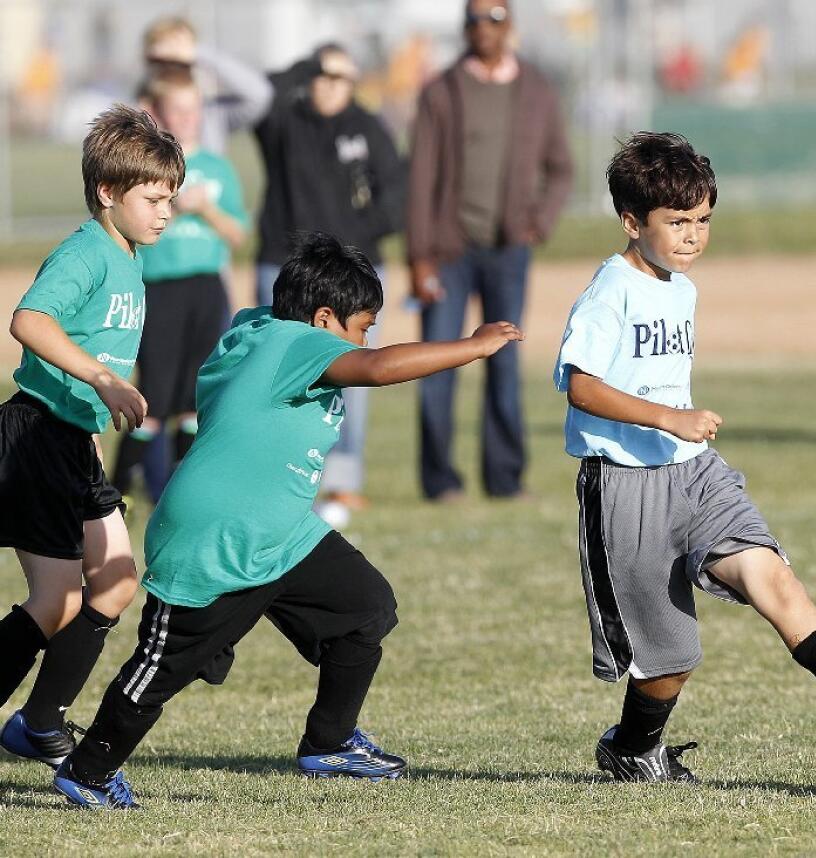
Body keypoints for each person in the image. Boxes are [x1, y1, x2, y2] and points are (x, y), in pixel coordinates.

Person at [51, 233, 523, 809]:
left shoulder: (263, 328)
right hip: (215, 537)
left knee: (365, 608)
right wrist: (471, 348)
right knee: (160, 670)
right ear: (324, 319)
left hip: (282, 532)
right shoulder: (290, 343)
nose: (365, 339)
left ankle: (329, 743)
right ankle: (88, 770)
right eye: (361, 326)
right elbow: (376, 368)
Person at [553, 133, 816, 782]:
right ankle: (632, 747)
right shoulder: (610, 292)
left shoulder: (680, 287)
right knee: (672, 660)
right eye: (676, 222)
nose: (692, 237)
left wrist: (680, 431)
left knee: (775, 581)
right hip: (625, 492)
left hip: (694, 473)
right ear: (632, 222)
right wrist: (667, 416)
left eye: (703, 220)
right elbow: (579, 384)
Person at [0, 106, 184, 766]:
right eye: (153, 198)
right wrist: (102, 380)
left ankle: (39, 722)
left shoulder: (130, 258)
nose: (165, 211)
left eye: (171, 198)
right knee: (57, 600)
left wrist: (96, 431)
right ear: (108, 192)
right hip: (37, 435)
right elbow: (30, 321)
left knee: (115, 584)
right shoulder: (86, 253)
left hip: (75, 441)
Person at [408, 0, 573, 502]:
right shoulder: (442, 91)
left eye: (494, 18)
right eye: (475, 20)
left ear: (510, 26)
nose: (484, 28)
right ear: (464, 28)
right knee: (435, 364)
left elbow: (561, 168)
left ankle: (505, 478)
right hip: (448, 250)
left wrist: (536, 225)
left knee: (503, 365)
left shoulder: (536, 91)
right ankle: (440, 481)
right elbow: (419, 179)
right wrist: (419, 256)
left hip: (508, 251)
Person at [255, 43, 408, 515]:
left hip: (350, 274)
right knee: (273, 372)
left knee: (349, 374)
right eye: (323, 76)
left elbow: (397, 195)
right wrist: (308, 64)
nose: (330, 85)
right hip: (284, 267)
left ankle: (342, 480)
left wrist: (356, 241)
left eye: (341, 77)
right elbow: (263, 89)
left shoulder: (366, 126)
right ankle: (275, 474)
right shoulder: (283, 120)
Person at [110, 66, 249, 503]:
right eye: (178, 109)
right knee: (155, 391)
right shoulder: (150, 167)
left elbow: (238, 233)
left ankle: (181, 493)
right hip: (160, 287)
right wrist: (173, 209)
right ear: (159, 112)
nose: (187, 118)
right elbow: (130, 231)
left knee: (195, 393)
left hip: (206, 287)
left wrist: (205, 210)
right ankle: (114, 489)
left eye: (194, 110)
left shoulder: (216, 167)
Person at [142, 16, 272, 155]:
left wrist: (198, 53)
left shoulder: (211, 113)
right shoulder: (137, 110)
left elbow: (259, 94)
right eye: (169, 59)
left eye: (183, 60)